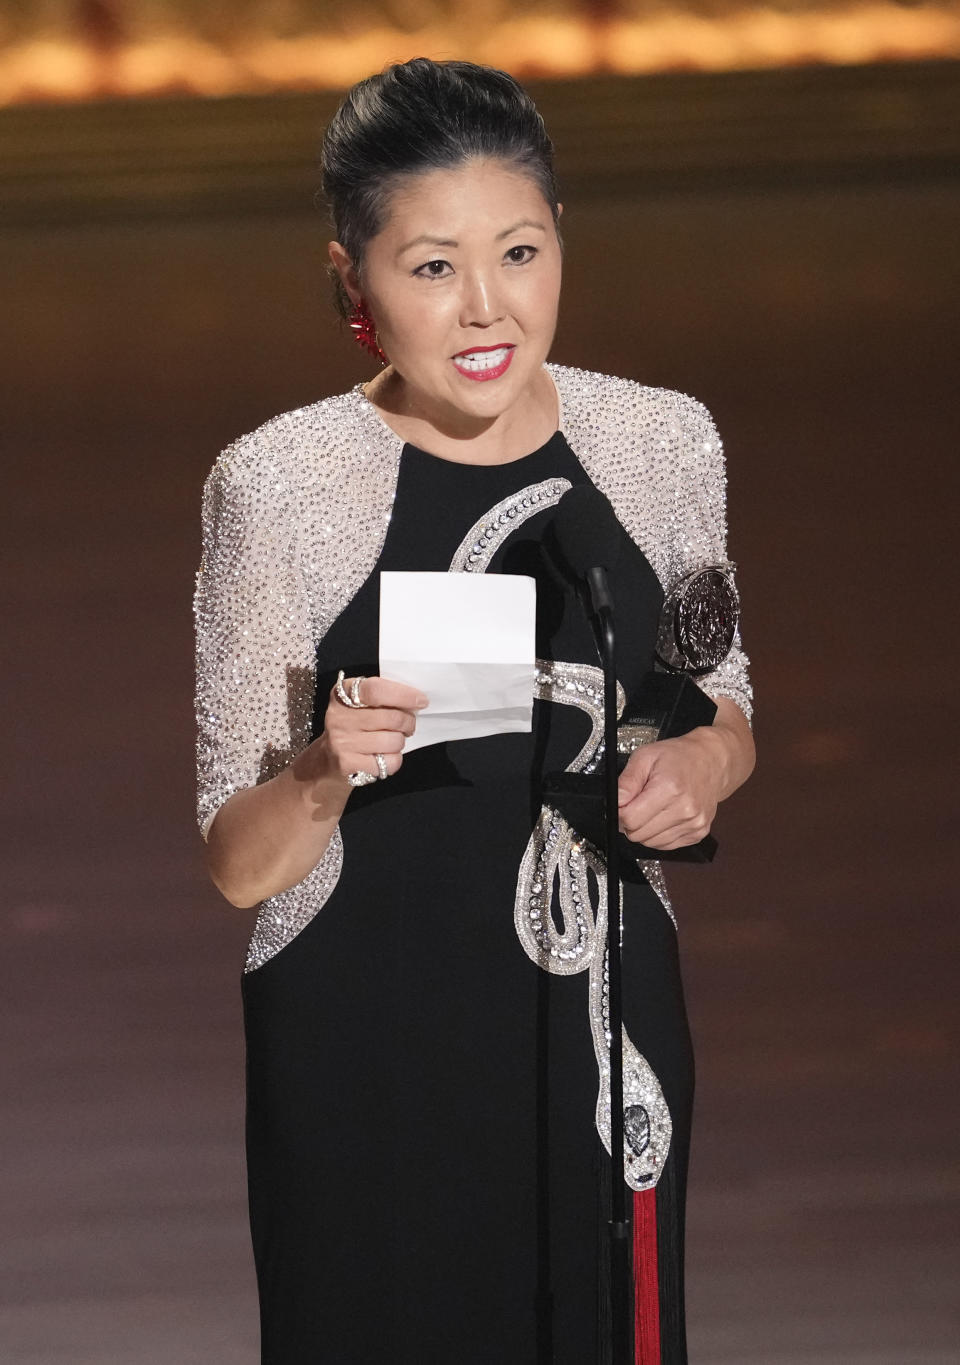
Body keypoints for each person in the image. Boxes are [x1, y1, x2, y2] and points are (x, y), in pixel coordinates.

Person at [193, 57, 755, 1365]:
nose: (487, 306)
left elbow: (720, 702)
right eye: (432, 266)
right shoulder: (280, 485)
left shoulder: (662, 444)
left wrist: (703, 767)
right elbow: (236, 861)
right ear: (353, 278)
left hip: (601, 1006)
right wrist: (327, 767)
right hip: (366, 1035)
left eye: (519, 250)